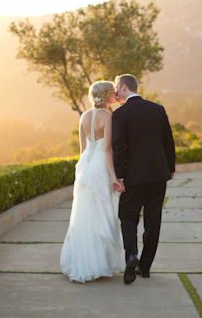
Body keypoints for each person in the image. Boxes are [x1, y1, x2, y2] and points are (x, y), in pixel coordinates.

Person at [112, 74, 176, 284]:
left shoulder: (121, 114)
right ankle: (145, 267)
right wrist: (171, 167)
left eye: (116, 87)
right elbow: (168, 140)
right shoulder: (158, 109)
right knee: (153, 219)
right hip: (159, 174)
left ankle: (132, 256)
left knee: (128, 215)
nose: (115, 91)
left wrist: (119, 175)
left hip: (134, 175)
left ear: (122, 87)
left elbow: (118, 147)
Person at [60, 81, 126, 283]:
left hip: (84, 167)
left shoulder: (84, 116)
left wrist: (84, 167)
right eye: (112, 92)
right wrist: (114, 178)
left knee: (84, 215)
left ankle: (85, 261)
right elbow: (107, 150)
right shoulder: (109, 117)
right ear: (106, 96)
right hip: (100, 167)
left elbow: (82, 149)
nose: (116, 93)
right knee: (102, 214)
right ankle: (99, 262)